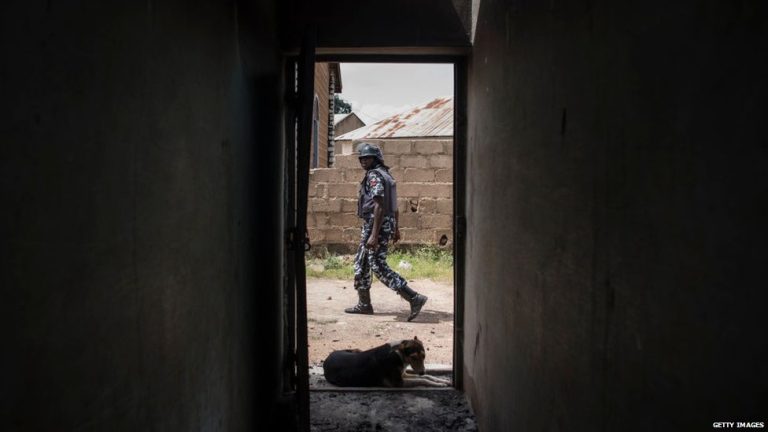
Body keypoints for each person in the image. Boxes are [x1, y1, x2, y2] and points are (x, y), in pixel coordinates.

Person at [344, 142, 428, 321]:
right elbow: (394, 206)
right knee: (362, 263)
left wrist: (374, 235)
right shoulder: (387, 175)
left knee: (377, 264)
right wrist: (395, 228)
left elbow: (380, 204)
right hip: (384, 223)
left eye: (367, 158)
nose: (363, 161)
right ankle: (364, 304)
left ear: (376, 159)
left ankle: (413, 297)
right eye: (361, 158)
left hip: (376, 225)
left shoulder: (374, 175)